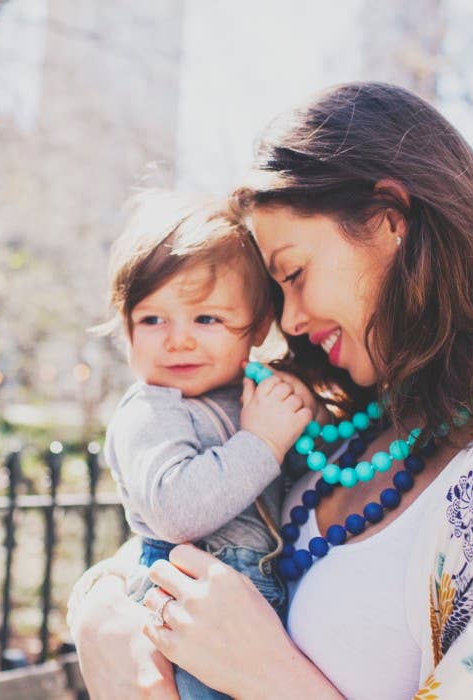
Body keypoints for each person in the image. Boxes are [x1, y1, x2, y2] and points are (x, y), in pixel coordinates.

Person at [67, 81, 473, 699]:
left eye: (294, 275)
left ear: (388, 221)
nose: (290, 321)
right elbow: (176, 538)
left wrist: (266, 674)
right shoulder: (357, 430)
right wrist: (100, 612)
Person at [95, 191, 329, 699]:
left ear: (259, 326)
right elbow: (177, 510)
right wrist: (263, 439)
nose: (178, 339)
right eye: (153, 319)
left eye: (207, 319)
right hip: (183, 607)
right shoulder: (150, 411)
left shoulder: (245, 392)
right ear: (126, 326)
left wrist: (300, 410)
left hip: (248, 608)